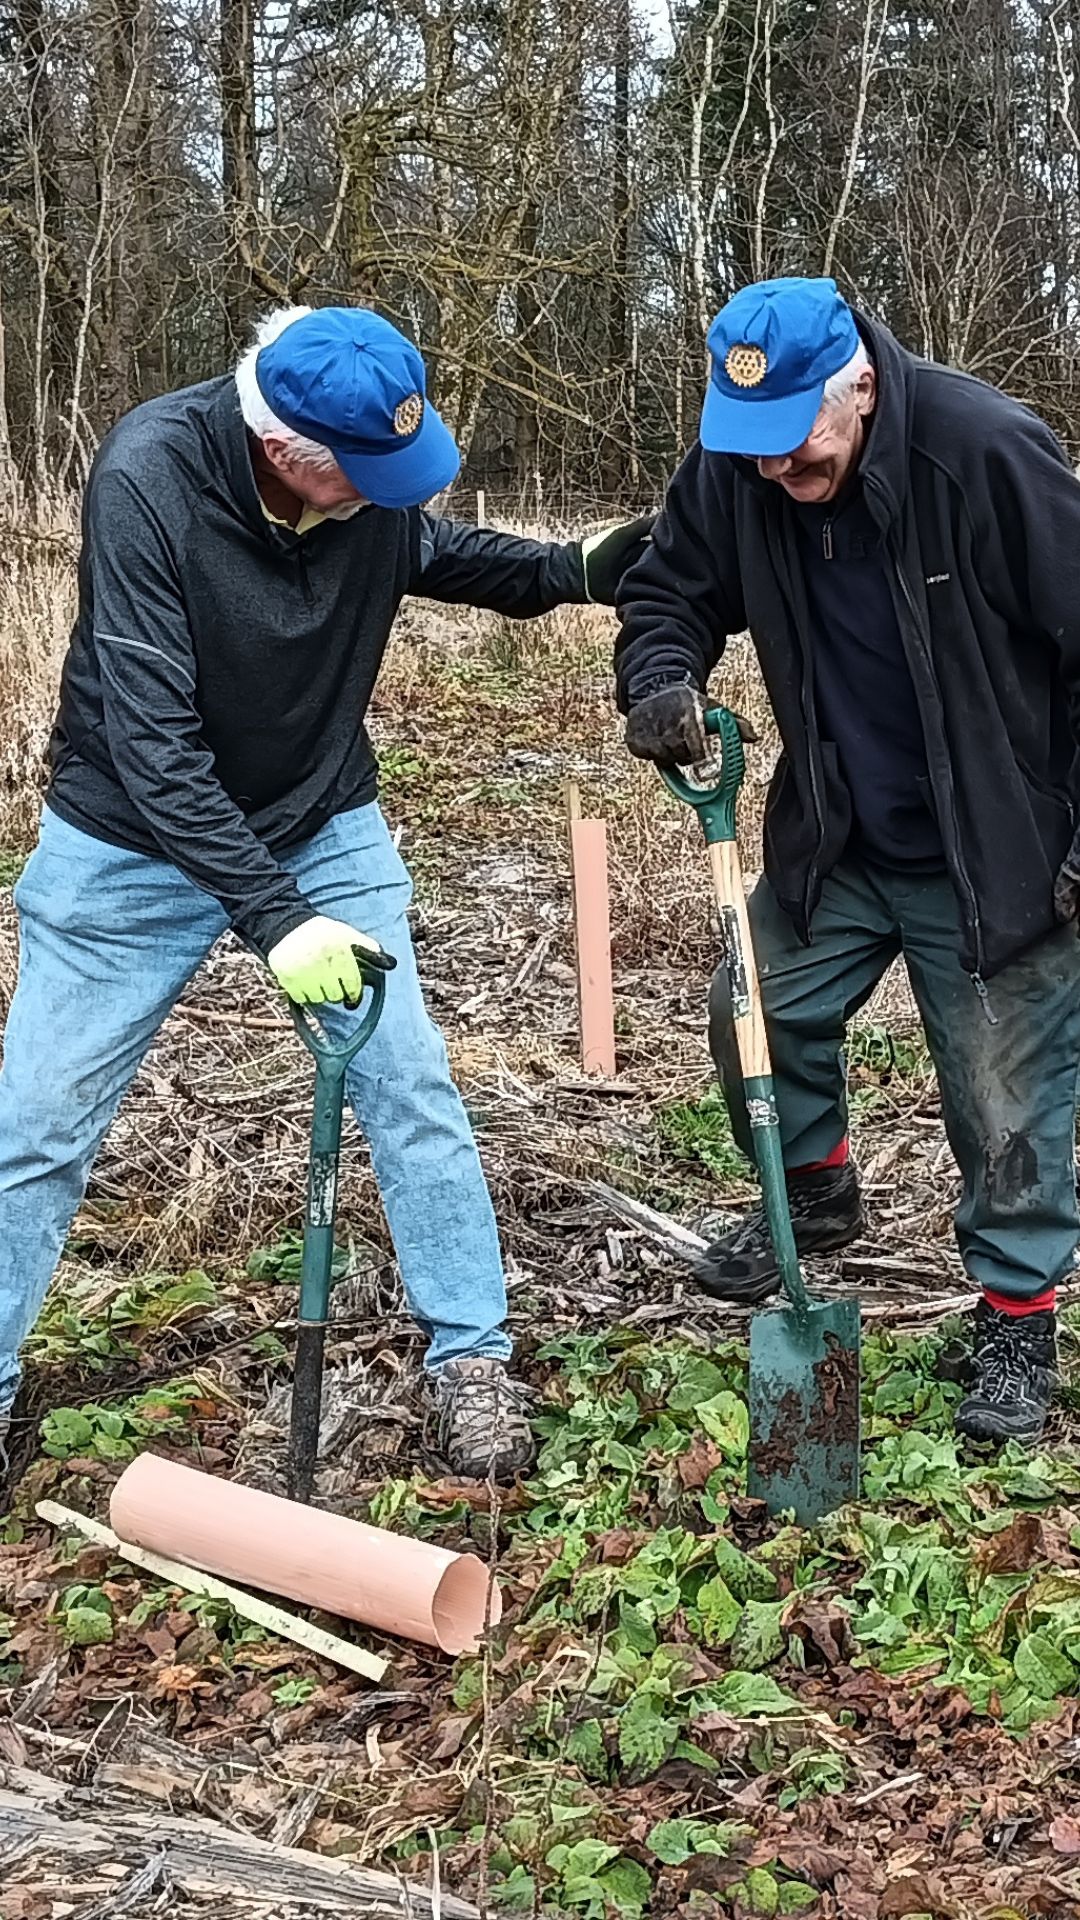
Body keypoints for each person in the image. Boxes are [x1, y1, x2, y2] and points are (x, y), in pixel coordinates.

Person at [0, 304, 649, 1484]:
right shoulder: (150, 480)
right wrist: (279, 917)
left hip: (318, 821)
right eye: (369, 476)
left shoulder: (364, 499)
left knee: (409, 1086)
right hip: (128, 843)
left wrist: (570, 571)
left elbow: (431, 552)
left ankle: (472, 1356)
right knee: (35, 1130)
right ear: (288, 455)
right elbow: (154, 747)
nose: (388, 496)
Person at [615, 275, 1080, 1447]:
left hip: (1000, 852)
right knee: (753, 1008)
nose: (778, 470)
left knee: (1004, 1098)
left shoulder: (983, 453)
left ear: (860, 384)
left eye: (798, 443)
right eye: (754, 448)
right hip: (839, 833)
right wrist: (661, 679)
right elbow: (665, 588)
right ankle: (816, 1194)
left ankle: (1018, 1317)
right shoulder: (738, 464)